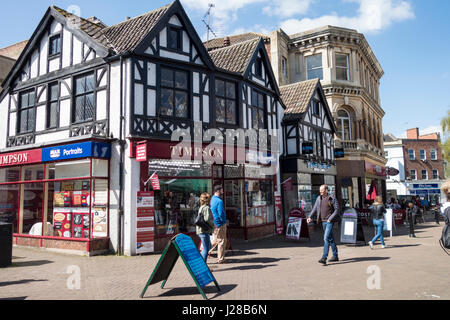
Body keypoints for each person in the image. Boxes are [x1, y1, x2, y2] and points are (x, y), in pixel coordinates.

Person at [307, 184, 341, 265]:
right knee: (330, 238)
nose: (320, 192)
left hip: (329, 221)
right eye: (320, 190)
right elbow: (314, 208)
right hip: (323, 221)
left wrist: (330, 218)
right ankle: (335, 255)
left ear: (326, 190)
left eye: (322, 190)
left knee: (325, 238)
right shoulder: (319, 198)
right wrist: (310, 217)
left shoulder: (332, 198)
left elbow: (337, 210)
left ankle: (324, 257)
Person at [209, 185, 228, 264]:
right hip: (220, 223)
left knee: (216, 240)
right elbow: (221, 213)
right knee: (222, 241)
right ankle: (221, 259)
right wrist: (222, 222)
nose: (223, 191)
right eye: (222, 190)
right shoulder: (219, 201)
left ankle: (204, 251)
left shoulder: (212, 199)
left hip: (215, 222)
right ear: (218, 191)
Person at [196, 193, 215, 263]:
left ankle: (201, 262)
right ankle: (202, 265)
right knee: (206, 249)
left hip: (201, 230)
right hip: (204, 230)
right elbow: (207, 219)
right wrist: (213, 224)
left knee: (208, 247)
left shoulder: (201, 207)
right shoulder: (206, 208)